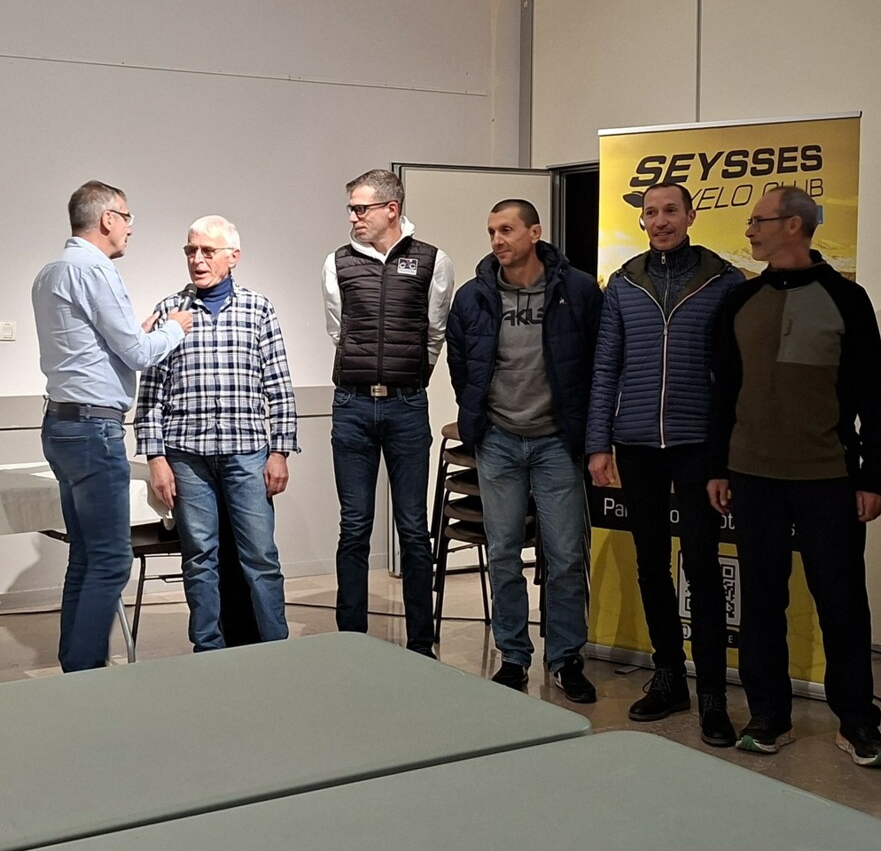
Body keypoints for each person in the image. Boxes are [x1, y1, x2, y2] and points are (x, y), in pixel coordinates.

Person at [708, 186, 881, 766]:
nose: (749, 231)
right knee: (762, 602)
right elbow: (723, 392)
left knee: (842, 601)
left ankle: (857, 721)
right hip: (751, 477)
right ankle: (769, 716)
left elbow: (875, 395)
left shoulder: (847, 299)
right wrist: (717, 466)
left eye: (758, 221)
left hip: (827, 478)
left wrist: (875, 477)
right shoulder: (740, 301)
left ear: (794, 225)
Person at [586, 181, 742, 746]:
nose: (660, 221)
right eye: (651, 213)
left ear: (691, 216)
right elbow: (606, 366)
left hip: (698, 443)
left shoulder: (726, 281)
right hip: (635, 444)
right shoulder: (623, 282)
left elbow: (735, 375)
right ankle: (669, 676)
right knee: (650, 564)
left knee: (701, 564)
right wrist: (598, 443)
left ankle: (713, 694)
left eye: (670, 210)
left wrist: (728, 453)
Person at [31, 181, 192, 671]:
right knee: (111, 559)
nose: (130, 228)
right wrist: (175, 327)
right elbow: (139, 355)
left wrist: (136, 336)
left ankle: (75, 669)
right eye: (127, 217)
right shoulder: (95, 270)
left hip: (61, 425)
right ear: (106, 219)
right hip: (93, 431)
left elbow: (87, 347)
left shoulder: (50, 272)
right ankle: (86, 677)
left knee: (85, 554)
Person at [447, 199, 602, 701]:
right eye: (492, 231)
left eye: (507, 230)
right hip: (499, 440)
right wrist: (479, 418)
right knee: (503, 553)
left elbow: (597, 360)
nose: (497, 240)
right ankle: (513, 656)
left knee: (564, 555)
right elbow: (460, 365)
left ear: (535, 233)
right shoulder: (473, 296)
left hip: (557, 440)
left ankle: (566, 657)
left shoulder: (577, 289)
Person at [134, 216, 296, 651]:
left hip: (247, 454)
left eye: (208, 251)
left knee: (260, 557)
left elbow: (279, 385)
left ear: (233, 257)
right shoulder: (170, 311)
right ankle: (207, 651)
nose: (198, 259)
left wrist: (280, 451)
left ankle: (279, 650)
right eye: (191, 250)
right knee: (199, 558)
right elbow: (150, 394)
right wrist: (156, 458)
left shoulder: (258, 309)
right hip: (187, 456)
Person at [322, 169, 454, 657]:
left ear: (391, 209)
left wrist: (409, 378)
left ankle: (421, 645)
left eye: (361, 208)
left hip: (406, 406)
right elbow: (338, 330)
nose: (353, 218)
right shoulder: (337, 262)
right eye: (352, 209)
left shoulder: (433, 260)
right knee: (354, 526)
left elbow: (435, 332)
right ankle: (351, 642)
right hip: (352, 405)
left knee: (413, 528)